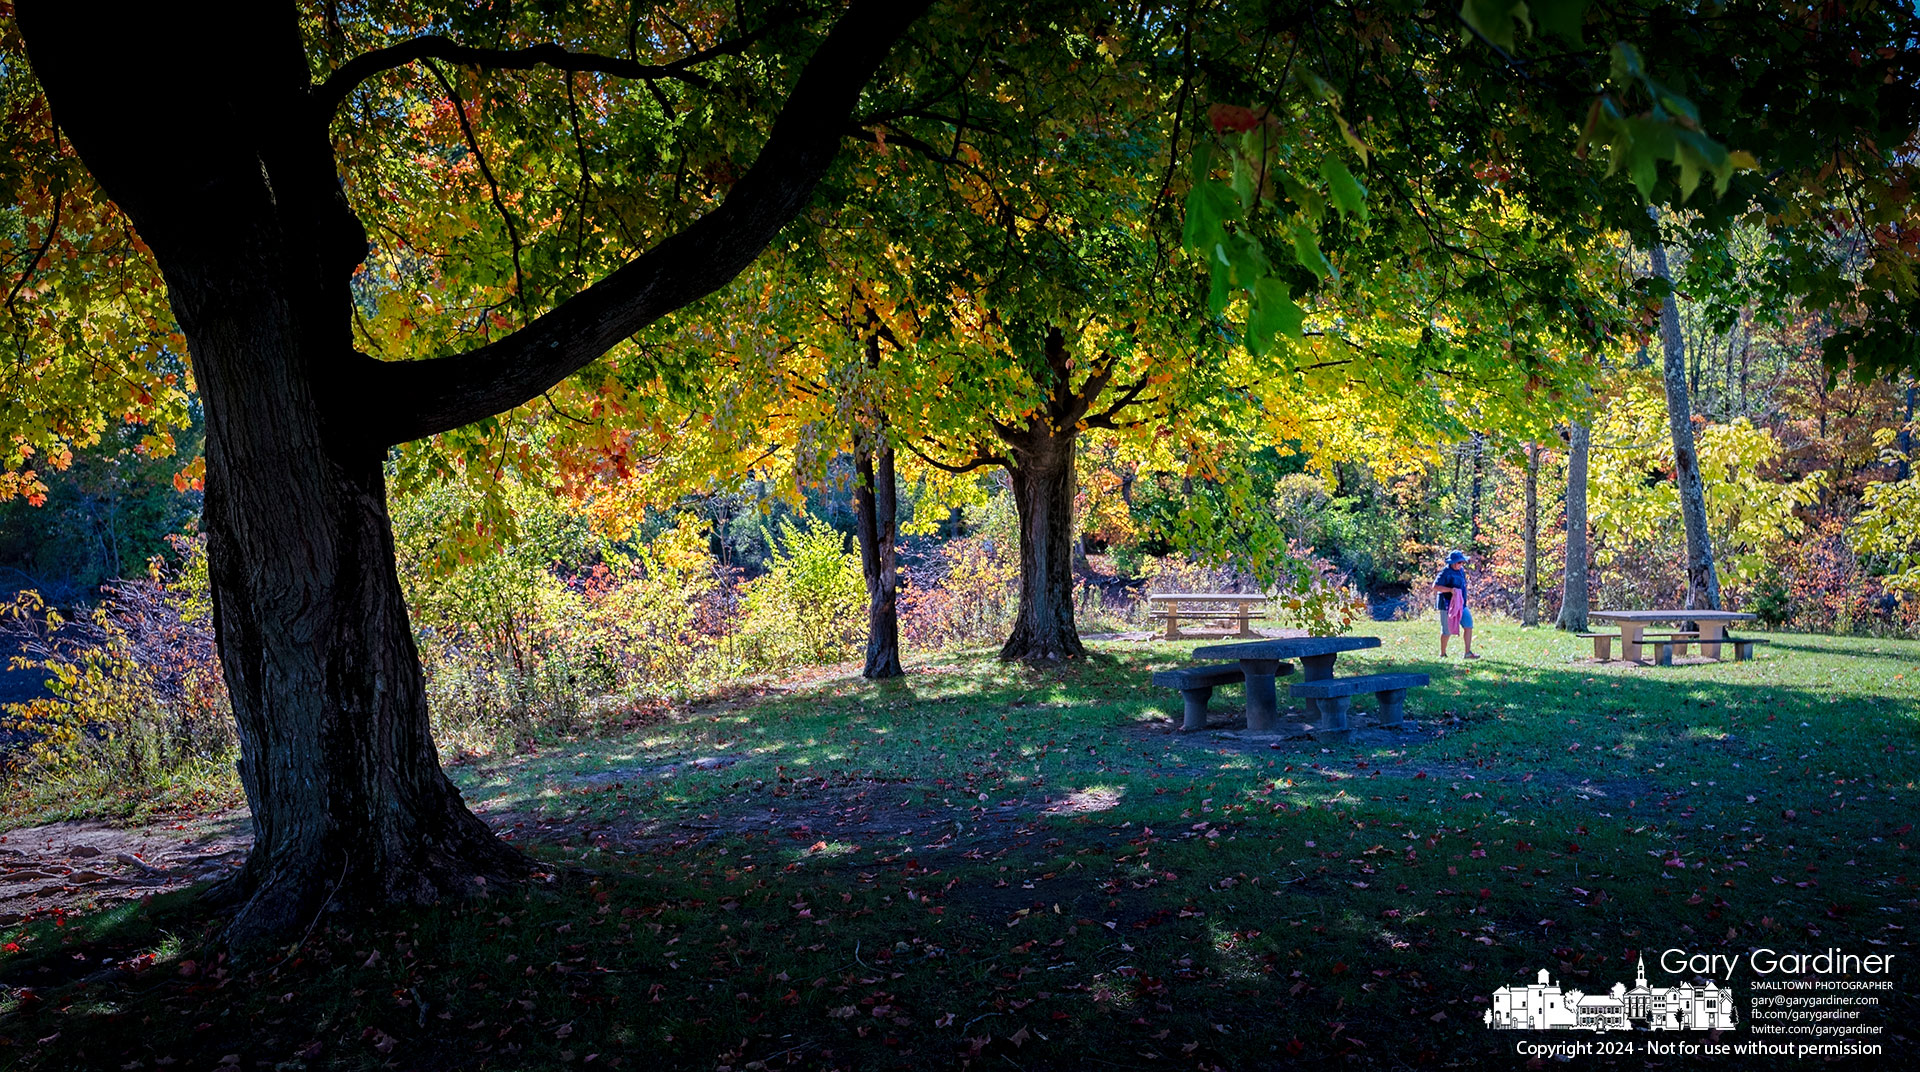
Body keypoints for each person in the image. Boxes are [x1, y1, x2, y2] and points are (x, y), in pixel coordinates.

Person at [1433, 550, 1480, 659]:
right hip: (1446, 604)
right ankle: (1442, 653)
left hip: (1460, 603)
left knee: (1468, 624)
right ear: (1453, 563)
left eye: (1462, 562)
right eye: (1459, 562)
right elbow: (1435, 586)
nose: (1461, 564)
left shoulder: (1461, 571)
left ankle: (1468, 653)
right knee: (1446, 631)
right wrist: (1450, 590)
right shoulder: (1445, 572)